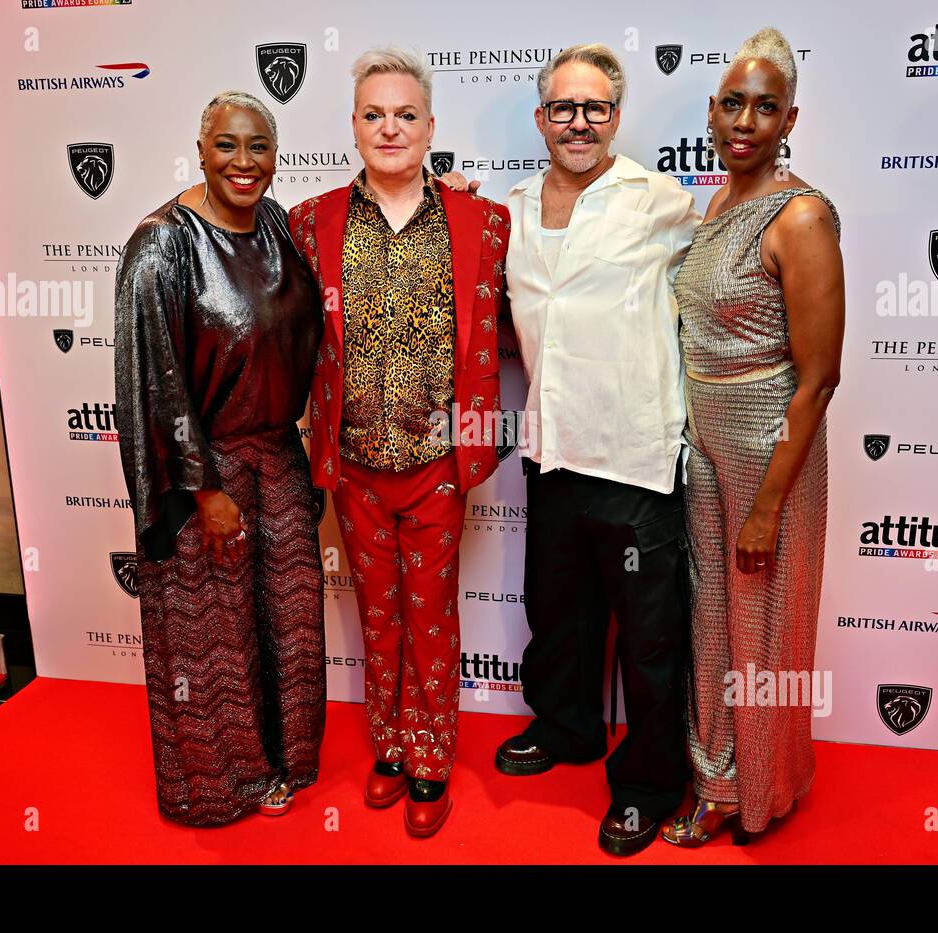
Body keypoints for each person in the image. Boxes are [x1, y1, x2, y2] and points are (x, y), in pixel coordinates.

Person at [288, 47, 510, 838]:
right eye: (374, 115)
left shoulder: (481, 219)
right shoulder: (308, 222)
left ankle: (431, 759)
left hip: (436, 468)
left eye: (405, 115)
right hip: (350, 466)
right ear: (353, 126)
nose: (390, 128)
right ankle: (387, 748)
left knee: (432, 617)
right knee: (374, 616)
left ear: (429, 128)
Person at [495, 43, 699, 857]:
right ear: (541, 116)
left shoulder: (660, 200)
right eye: (563, 108)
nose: (579, 123)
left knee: (648, 637)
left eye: (596, 109)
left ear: (617, 116)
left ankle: (649, 783)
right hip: (552, 449)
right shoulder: (507, 207)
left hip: (636, 456)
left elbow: (724, 279)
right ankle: (568, 729)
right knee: (560, 617)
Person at [114, 90, 326, 825]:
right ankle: (222, 785)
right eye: (228, 145)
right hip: (209, 470)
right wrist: (201, 488)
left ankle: (286, 761)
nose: (244, 161)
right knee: (218, 643)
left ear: (276, 154)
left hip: (280, 459)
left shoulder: (277, 224)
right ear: (201, 149)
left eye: (259, 146)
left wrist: (442, 187)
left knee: (290, 627)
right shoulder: (161, 244)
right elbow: (154, 380)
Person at [661, 28, 844, 847]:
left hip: (773, 456)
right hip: (707, 449)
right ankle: (719, 777)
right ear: (711, 109)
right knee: (711, 618)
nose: (745, 119)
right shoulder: (721, 200)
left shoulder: (799, 214)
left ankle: (762, 788)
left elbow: (819, 378)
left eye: (764, 106)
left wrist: (769, 504)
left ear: (789, 117)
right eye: (732, 102)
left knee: (765, 628)